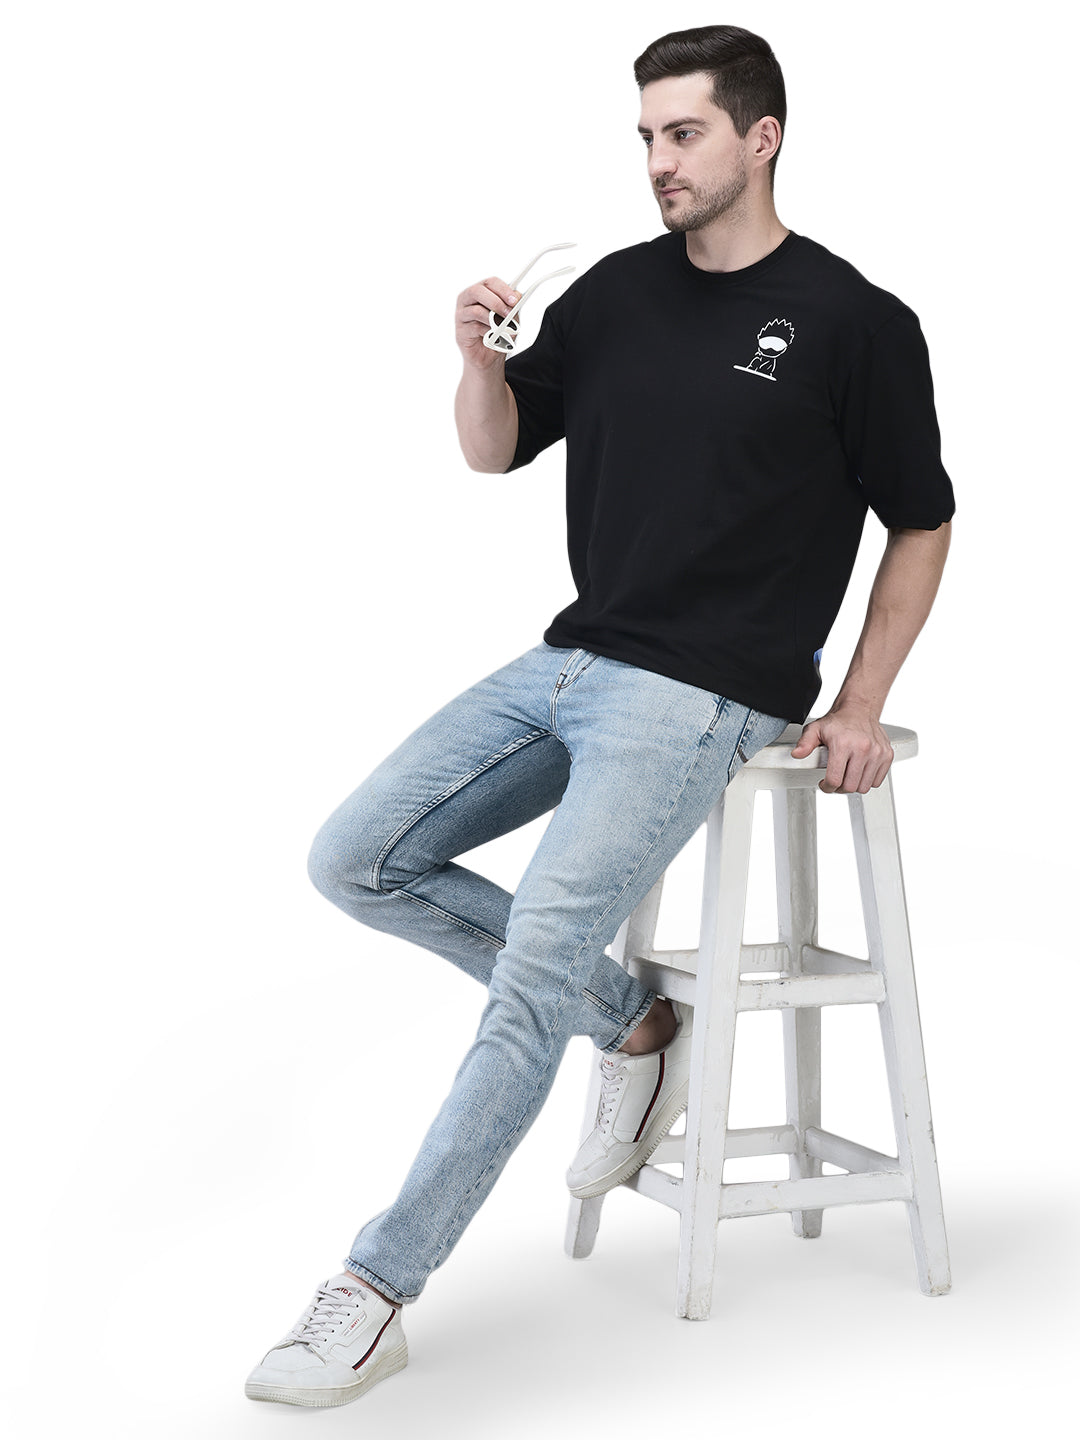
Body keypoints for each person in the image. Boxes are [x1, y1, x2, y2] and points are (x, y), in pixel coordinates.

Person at [245, 22, 954, 1408]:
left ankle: (375, 1290)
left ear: (760, 137)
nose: (658, 161)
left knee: (529, 975)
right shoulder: (619, 293)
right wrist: (478, 361)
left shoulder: (856, 322)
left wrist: (863, 702)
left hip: (707, 696)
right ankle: (633, 1025)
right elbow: (496, 450)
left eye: (684, 133)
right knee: (356, 858)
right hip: (570, 661)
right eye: (645, 137)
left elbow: (921, 521)